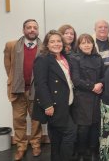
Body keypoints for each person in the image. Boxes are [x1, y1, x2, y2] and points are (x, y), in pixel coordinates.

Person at [32, 30, 76, 161]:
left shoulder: (63, 57)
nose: (56, 44)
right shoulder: (43, 59)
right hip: (54, 105)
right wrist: (47, 105)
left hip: (67, 102)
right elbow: (40, 84)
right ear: (47, 44)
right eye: (52, 41)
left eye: (58, 41)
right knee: (71, 132)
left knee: (56, 138)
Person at [3, 19, 42, 160]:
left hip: (36, 90)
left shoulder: (44, 47)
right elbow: (8, 66)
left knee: (36, 119)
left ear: (38, 30)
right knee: (18, 119)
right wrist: (15, 80)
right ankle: (21, 147)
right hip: (18, 90)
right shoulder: (12, 45)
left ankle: (36, 144)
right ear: (23, 30)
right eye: (29, 27)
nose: (32, 30)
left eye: (35, 27)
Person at [70, 34, 104, 160]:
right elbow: (76, 80)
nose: (86, 45)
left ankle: (94, 151)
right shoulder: (75, 58)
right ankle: (81, 153)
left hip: (97, 97)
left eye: (89, 42)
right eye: (83, 43)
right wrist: (92, 87)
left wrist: (100, 83)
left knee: (95, 125)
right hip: (82, 98)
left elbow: (103, 76)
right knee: (83, 128)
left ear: (92, 44)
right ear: (79, 45)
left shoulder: (98, 58)